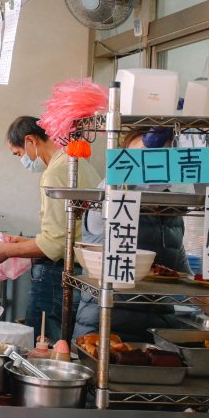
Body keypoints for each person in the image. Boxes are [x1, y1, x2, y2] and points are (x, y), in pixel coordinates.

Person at [0, 116, 100, 343]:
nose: (23, 160)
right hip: (81, 272)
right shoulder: (77, 162)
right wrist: (22, 241)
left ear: (30, 141)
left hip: (58, 276)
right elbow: (67, 231)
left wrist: (6, 251)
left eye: (18, 154)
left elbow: (55, 245)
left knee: (44, 346)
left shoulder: (55, 172)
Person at [74, 128, 190, 342]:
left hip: (157, 334)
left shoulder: (172, 210)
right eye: (142, 156)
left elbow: (182, 273)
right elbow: (117, 181)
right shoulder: (108, 202)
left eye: (162, 157)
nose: (151, 164)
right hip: (106, 328)